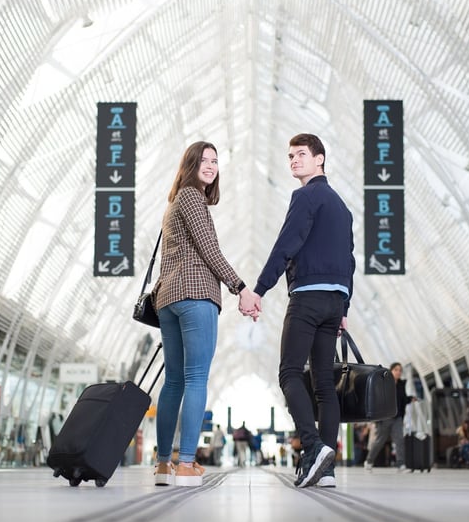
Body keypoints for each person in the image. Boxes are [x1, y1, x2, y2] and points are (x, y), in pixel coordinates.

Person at [246, 133, 355, 488]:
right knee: (324, 384)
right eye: (290, 155)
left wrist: (259, 289)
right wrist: (345, 306)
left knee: (289, 372)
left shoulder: (305, 196)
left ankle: (312, 447)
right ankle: (327, 469)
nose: (294, 160)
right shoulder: (342, 206)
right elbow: (349, 260)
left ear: (320, 159)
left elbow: (286, 244)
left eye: (302, 155)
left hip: (307, 298)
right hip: (334, 302)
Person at [150, 141, 258, 487]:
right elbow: (209, 249)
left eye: (215, 161)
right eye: (204, 160)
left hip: (167, 300)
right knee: (196, 379)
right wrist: (241, 287)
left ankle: (164, 464)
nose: (211, 166)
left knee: (174, 383)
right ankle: (186, 464)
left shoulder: (173, 203)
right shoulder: (192, 197)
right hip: (195, 295)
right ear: (191, 164)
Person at [364, 362, 416, 472]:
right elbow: (378, 399)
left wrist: (410, 399)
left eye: (400, 370)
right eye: (396, 370)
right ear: (391, 371)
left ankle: (401, 464)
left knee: (399, 440)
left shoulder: (401, 384)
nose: (398, 372)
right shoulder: (384, 383)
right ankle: (369, 461)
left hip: (397, 417)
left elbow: (402, 399)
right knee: (379, 441)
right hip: (385, 417)